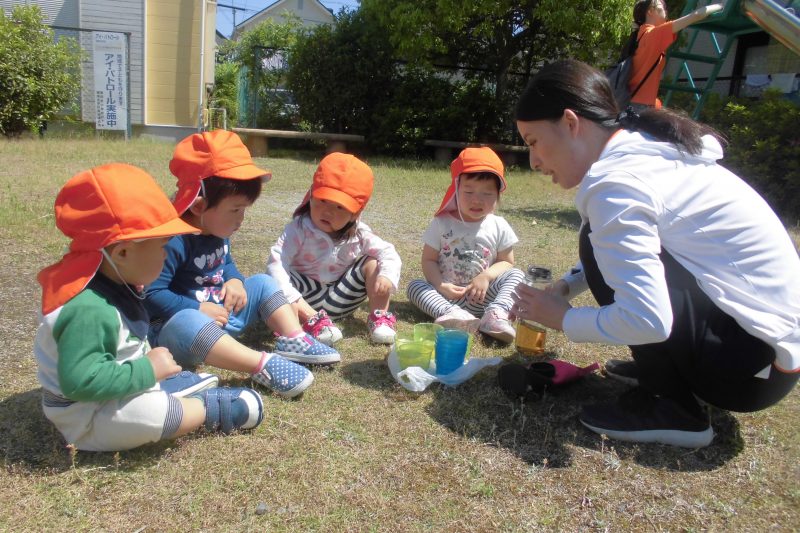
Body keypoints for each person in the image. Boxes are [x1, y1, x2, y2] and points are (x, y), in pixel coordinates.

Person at [513, 59, 800, 448]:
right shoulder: (645, 154)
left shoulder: (617, 181)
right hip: (766, 359)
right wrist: (567, 286)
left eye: (533, 142)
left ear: (570, 122)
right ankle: (667, 371)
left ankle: (674, 408)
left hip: (746, 371)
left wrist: (564, 318)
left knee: (594, 244)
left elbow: (647, 318)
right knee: (597, 244)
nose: (533, 161)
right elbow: (629, 250)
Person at [34, 164, 265, 451]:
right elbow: (80, 382)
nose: (167, 254)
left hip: (116, 389)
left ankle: (167, 389)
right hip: (88, 414)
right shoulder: (87, 309)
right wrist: (148, 369)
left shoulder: (116, 279)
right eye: (163, 246)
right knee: (151, 413)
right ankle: (208, 410)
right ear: (123, 252)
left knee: (151, 394)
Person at [145, 130, 341, 400]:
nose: (241, 219)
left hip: (222, 316)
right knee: (187, 321)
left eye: (245, 209)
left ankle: (294, 337)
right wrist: (196, 308)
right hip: (181, 333)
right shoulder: (173, 240)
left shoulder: (216, 229)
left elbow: (225, 263)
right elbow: (151, 293)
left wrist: (235, 280)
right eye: (235, 210)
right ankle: (260, 364)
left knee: (262, 282)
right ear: (199, 206)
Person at [267, 152, 402, 345]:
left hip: (341, 298)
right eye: (322, 200)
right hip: (303, 299)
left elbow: (388, 252)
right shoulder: (299, 229)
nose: (327, 211)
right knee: (272, 277)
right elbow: (277, 261)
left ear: (355, 213)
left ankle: (379, 318)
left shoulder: (360, 234)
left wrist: (387, 275)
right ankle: (311, 322)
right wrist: (290, 296)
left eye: (339, 207)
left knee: (373, 263)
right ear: (311, 195)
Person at [406, 147, 524, 343]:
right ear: (456, 190)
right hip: (447, 296)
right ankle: (453, 316)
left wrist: (485, 277)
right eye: (468, 192)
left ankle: (495, 315)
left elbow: (507, 262)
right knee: (415, 286)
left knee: (517, 275)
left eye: (487, 193)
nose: (477, 200)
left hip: (484, 296)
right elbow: (428, 260)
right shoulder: (441, 223)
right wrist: (440, 284)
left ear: (498, 195)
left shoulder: (499, 224)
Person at [624, 0, 723, 109]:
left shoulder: (640, 36)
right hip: (641, 105)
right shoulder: (653, 34)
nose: (666, 11)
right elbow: (697, 15)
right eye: (662, 7)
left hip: (632, 102)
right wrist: (721, 5)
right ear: (650, 11)